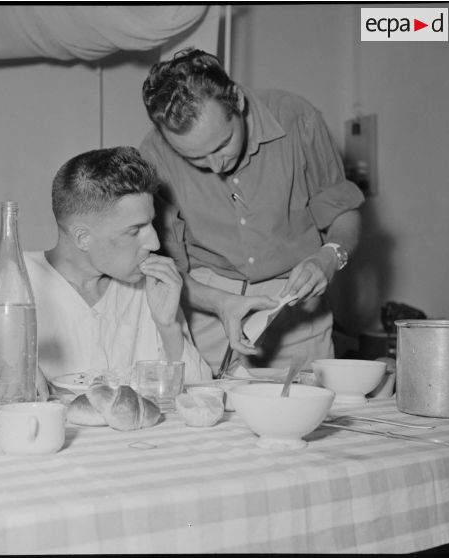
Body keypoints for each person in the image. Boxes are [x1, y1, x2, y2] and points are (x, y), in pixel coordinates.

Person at [140, 48, 365, 374]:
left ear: (237, 101)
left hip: (296, 306)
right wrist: (219, 303)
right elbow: (167, 271)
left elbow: (343, 211)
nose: (215, 166)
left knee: (301, 415)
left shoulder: (297, 118)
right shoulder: (153, 153)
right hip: (206, 306)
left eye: (221, 145)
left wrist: (329, 257)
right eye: (195, 159)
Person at [0, 147, 212, 401]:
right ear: (83, 238)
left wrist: (168, 326)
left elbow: (200, 401)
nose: (154, 242)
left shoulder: (150, 289)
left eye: (151, 224)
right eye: (135, 230)